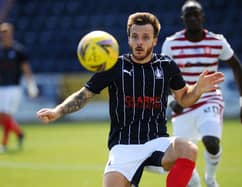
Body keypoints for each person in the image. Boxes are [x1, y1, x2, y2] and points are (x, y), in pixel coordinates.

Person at [37, 12, 224, 187]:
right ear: (128, 39)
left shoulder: (166, 65)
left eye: (145, 37)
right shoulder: (114, 66)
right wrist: (57, 111)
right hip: (123, 146)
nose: (139, 42)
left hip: (157, 142)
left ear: (155, 40)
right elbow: (84, 95)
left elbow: (184, 99)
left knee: (188, 149)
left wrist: (198, 89)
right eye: (135, 37)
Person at [161, 1, 242, 187]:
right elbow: (163, 75)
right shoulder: (171, 44)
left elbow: (236, 66)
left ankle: (211, 179)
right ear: (182, 19)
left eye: (196, 14)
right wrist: (172, 101)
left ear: (202, 16)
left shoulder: (217, 41)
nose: (193, 18)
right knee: (183, 155)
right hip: (184, 101)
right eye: (189, 15)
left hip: (210, 98)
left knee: (211, 142)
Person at [0, 22, 38, 153]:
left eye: (6, 32)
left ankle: (3, 144)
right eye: (2, 32)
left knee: (5, 115)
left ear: (11, 33)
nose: (4, 35)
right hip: (1, 87)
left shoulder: (18, 50)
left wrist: (31, 86)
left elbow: (26, 69)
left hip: (14, 88)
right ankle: (19, 133)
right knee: (3, 117)